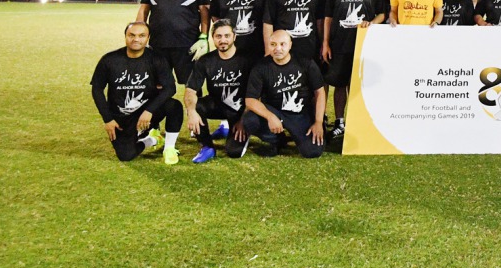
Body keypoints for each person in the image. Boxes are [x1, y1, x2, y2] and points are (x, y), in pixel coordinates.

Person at [90, 21, 183, 164]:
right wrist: (108, 119)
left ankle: (169, 148)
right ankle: (152, 139)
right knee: (126, 155)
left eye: (142, 35)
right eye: (131, 35)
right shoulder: (109, 60)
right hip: (121, 117)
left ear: (148, 38)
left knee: (174, 106)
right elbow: (97, 89)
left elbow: (170, 88)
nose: (136, 39)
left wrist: (149, 110)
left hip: (146, 112)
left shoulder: (156, 59)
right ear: (125, 36)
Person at [321, 0, 387, 140]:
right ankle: (340, 122)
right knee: (340, 85)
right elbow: (328, 18)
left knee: (360, 86)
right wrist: (325, 43)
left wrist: (371, 23)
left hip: (365, 46)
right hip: (339, 44)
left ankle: (360, 121)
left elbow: (382, 14)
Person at [241, 30, 326, 158]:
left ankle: (298, 134)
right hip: (275, 111)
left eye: (282, 44)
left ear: (290, 45)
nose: (278, 48)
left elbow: (319, 92)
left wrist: (318, 122)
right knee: (250, 120)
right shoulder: (260, 67)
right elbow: (250, 100)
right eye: (273, 44)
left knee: (312, 151)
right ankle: (276, 140)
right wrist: (270, 116)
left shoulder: (305, 62)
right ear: (268, 45)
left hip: (300, 113)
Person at [137, 0, 210, 85]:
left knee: (192, 85)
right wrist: (140, 33)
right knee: (158, 84)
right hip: (158, 43)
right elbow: (144, 10)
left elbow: (205, 12)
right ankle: (158, 108)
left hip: (187, 44)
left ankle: (193, 108)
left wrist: (204, 36)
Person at [183, 19, 252, 163]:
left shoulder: (247, 60)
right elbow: (190, 90)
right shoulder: (205, 60)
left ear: (234, 37)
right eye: (218, 36)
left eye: (227, 36)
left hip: (240, 111)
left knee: (234, 152)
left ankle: (243, 132)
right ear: (213, 38)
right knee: (197, 106)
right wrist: (191, 112)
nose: (223, 40)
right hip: (218, 105)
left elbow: (256, 94)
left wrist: (244, 120)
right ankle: (207, 147)